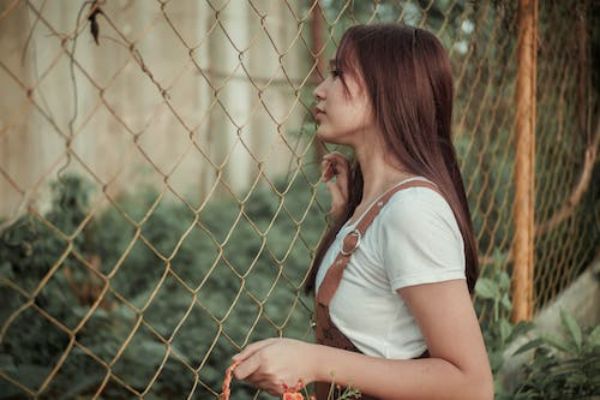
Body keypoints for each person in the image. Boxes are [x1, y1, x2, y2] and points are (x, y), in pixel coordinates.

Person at [231, 23, 494, 399]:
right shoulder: (379, 207)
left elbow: (472, 385)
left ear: (389, 90)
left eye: (339, 74)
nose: (320, 89)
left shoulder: (413, 212)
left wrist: (314, 361)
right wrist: (347, 215)